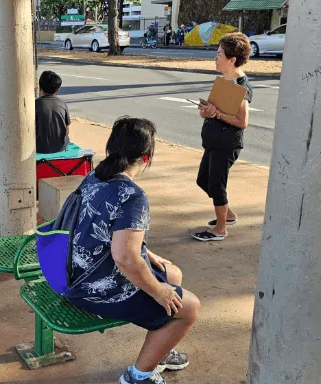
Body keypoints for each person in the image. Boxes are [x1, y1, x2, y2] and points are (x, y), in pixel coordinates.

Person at [63, 117, 200, 384]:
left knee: (172, 274)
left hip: (73, 274)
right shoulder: (132, 195)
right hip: (91, 289)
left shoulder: (95, 177)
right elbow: (125, 258)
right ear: (146, 158)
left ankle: (161, 352)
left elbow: (106, 233)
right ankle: (138, 377)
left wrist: (147, 254)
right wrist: (158, 291)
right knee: (190, 308)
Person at [192, 33, 253, 242]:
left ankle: (220, 230)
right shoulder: (224, 80)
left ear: (232, 59)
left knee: (217, 185)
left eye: (219, 54)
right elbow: (209, 109)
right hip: (213, 142)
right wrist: (206, 111)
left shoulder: (240, 86)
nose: (215, 58)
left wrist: (217, 114)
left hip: (226, 144)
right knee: (203, 180)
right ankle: (229, 215)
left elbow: (242, 121)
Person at [35, 70, 71, 154]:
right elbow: (67, 130)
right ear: (58, 89)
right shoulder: (62, 104)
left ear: (40, 86)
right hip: (61, 146)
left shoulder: (34, 105)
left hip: (39, 148)